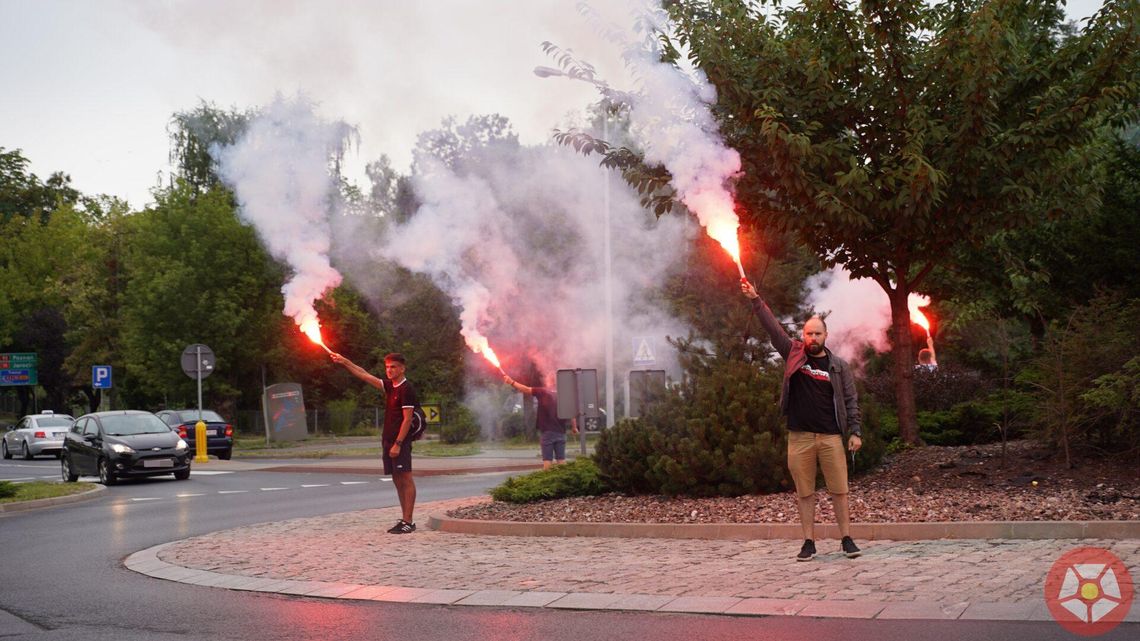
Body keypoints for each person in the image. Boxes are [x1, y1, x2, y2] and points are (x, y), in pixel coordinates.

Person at [741, 279, 863, 561]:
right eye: (808, 333)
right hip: (800, 437)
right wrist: (756, 300)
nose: (812, 338)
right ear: (803, 335)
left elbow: (850, 401)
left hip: (831, 437)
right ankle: (809, 542)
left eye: (817, 333)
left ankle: (846, 539)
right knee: (805, 493)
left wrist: (854, 432)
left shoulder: (838, 366)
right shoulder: (793, 353)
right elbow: (773, 329)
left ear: (826, 335)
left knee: (839, 490)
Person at [330, 351, 419, 534]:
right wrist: (345, 360)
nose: (389, 370)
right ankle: (404, 519)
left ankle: (409, 522)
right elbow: (364, 374)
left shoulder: (406, 389)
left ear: (402, 368)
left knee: (406, 478)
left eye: (393, 367)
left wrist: (399, 443)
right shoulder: (390, 386)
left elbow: (407, 419)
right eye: (387, 367)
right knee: (396, 478)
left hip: (399, 442)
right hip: (387, 440)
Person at [502, 374, 578, 469]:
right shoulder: (564, 395)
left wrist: (512, 382)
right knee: (561, 459)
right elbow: (572, 413)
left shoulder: (543, 391)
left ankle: (546, 481)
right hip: (561, 433)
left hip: (548, 432)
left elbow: (526, 389)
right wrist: (574, 428)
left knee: (547, 460)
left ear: (549, 382)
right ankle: (565, 481)